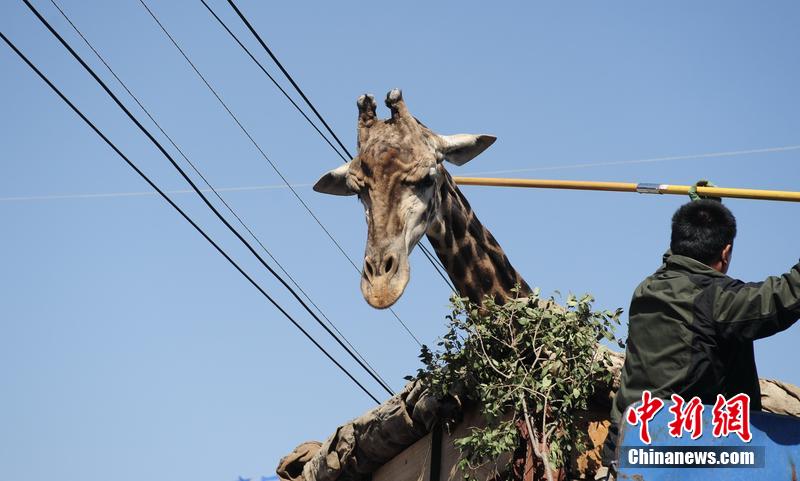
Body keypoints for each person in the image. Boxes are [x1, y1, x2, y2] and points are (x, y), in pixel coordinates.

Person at [598, 197, 800, 479]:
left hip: (623, 453)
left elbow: (682, 253)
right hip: (677, 458)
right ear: (726, 252)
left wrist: (705, 210)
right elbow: (785, 296)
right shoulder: (715, 301)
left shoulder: (648, 289)